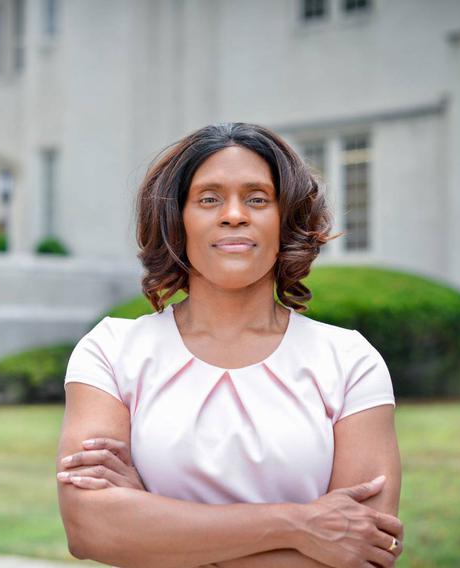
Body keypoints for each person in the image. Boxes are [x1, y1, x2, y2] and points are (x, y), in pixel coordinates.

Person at [56, 122, 403, 568]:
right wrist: (298, 525)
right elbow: (91, 529)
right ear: (176, 220)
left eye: (258, 199)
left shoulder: (350, 361)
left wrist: (151, 519)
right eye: (209, 198)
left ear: (286, 220)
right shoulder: (110, 351)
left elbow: (364, 549)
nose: (234, 214)